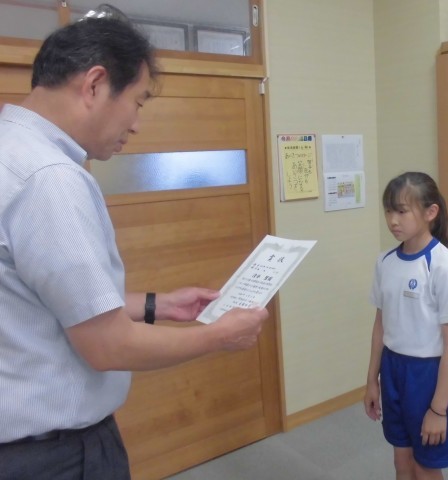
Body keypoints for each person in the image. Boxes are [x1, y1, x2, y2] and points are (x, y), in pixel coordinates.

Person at [0, 11, 268, 480]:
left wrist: (158, 305)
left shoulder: (11, 150)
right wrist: (219, 336)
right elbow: (108, 346)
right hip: (54, 457)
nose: (137, 124)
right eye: (138, 102)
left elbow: (47, 300)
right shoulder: (50, 179)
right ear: (95, 84)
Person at [364, 172, 448, 480]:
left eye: (402, 211)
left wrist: (438, 409)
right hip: (392, 368)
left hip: (427, 375)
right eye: (388, 211)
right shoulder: (385, 262)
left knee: (425, 467)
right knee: (402, 461)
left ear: (430, 212)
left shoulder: (443, 266)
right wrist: (372, 380)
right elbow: (380, 325)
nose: (393, 220)